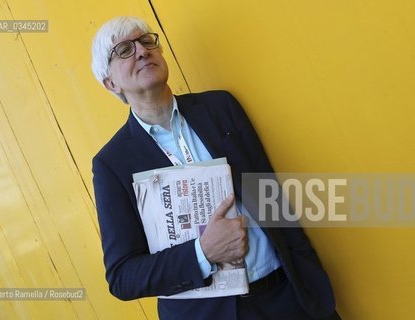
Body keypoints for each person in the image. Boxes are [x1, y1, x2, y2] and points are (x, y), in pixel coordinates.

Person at [91, 16, 340, 320]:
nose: (142, 52)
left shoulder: (220, 108)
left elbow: (270, 196)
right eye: (125, 50)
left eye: (146, 41)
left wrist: (311, 281)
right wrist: (202, 252)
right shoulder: (112, 163)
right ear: (110, 82)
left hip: (287, 296)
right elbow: (123, 276)